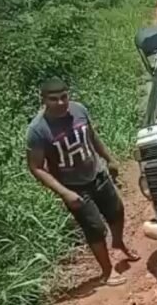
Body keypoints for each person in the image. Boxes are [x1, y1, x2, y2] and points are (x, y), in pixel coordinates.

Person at [25, 78, 139, 287]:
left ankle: (119, 243)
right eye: (54, 99)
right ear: (43, 100)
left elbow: (92, 138)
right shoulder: (38, 130)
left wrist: (110, 159)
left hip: (97, 173)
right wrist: (64, 193)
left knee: (117, 211)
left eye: (63, 97)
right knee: (94, 228)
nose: (60, 102)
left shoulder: (79, 110)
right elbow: (36, 167)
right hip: (73, 186)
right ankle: (107, 271)